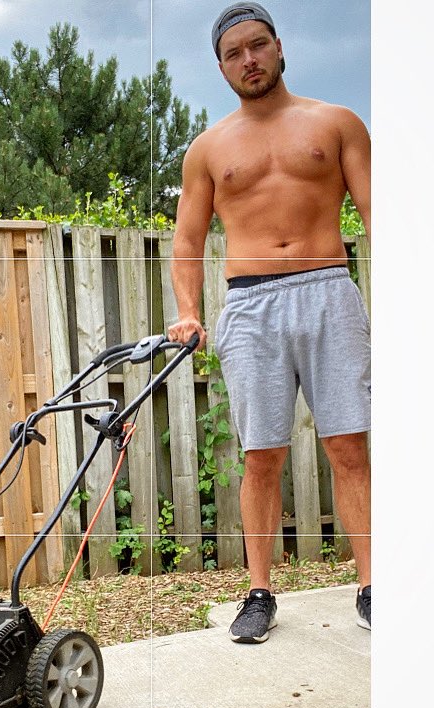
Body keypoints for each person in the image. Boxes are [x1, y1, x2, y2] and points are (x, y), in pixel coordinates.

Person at [167, 2, 371, 643]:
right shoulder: (208, 149)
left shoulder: (337, 123)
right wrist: (188, 311)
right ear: (221, 67)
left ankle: (373, 586)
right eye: (234, 53)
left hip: (328, 290)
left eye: (257, 45)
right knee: (261, 455)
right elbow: (187, 240)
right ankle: (259, 593)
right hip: (251, 304)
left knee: (349, 447)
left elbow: (377, 212)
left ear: (279, 47)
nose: (248, 60)